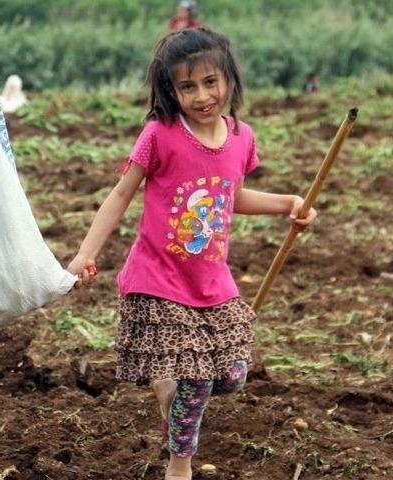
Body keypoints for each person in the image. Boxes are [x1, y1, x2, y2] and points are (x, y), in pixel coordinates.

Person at [66, 28, 317, 480]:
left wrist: (289, 204)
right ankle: (179, 465)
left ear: (229, 80)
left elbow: (229, 195)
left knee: (232, 375)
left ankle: (170, 391)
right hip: (159, 278)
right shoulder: (160, 135)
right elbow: (121, 195)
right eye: (187, 87)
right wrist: (85, 254)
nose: (202, 96)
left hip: (211, 282)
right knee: (198, 379)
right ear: (170, 90)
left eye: (210, 82)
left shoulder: (241, 136)